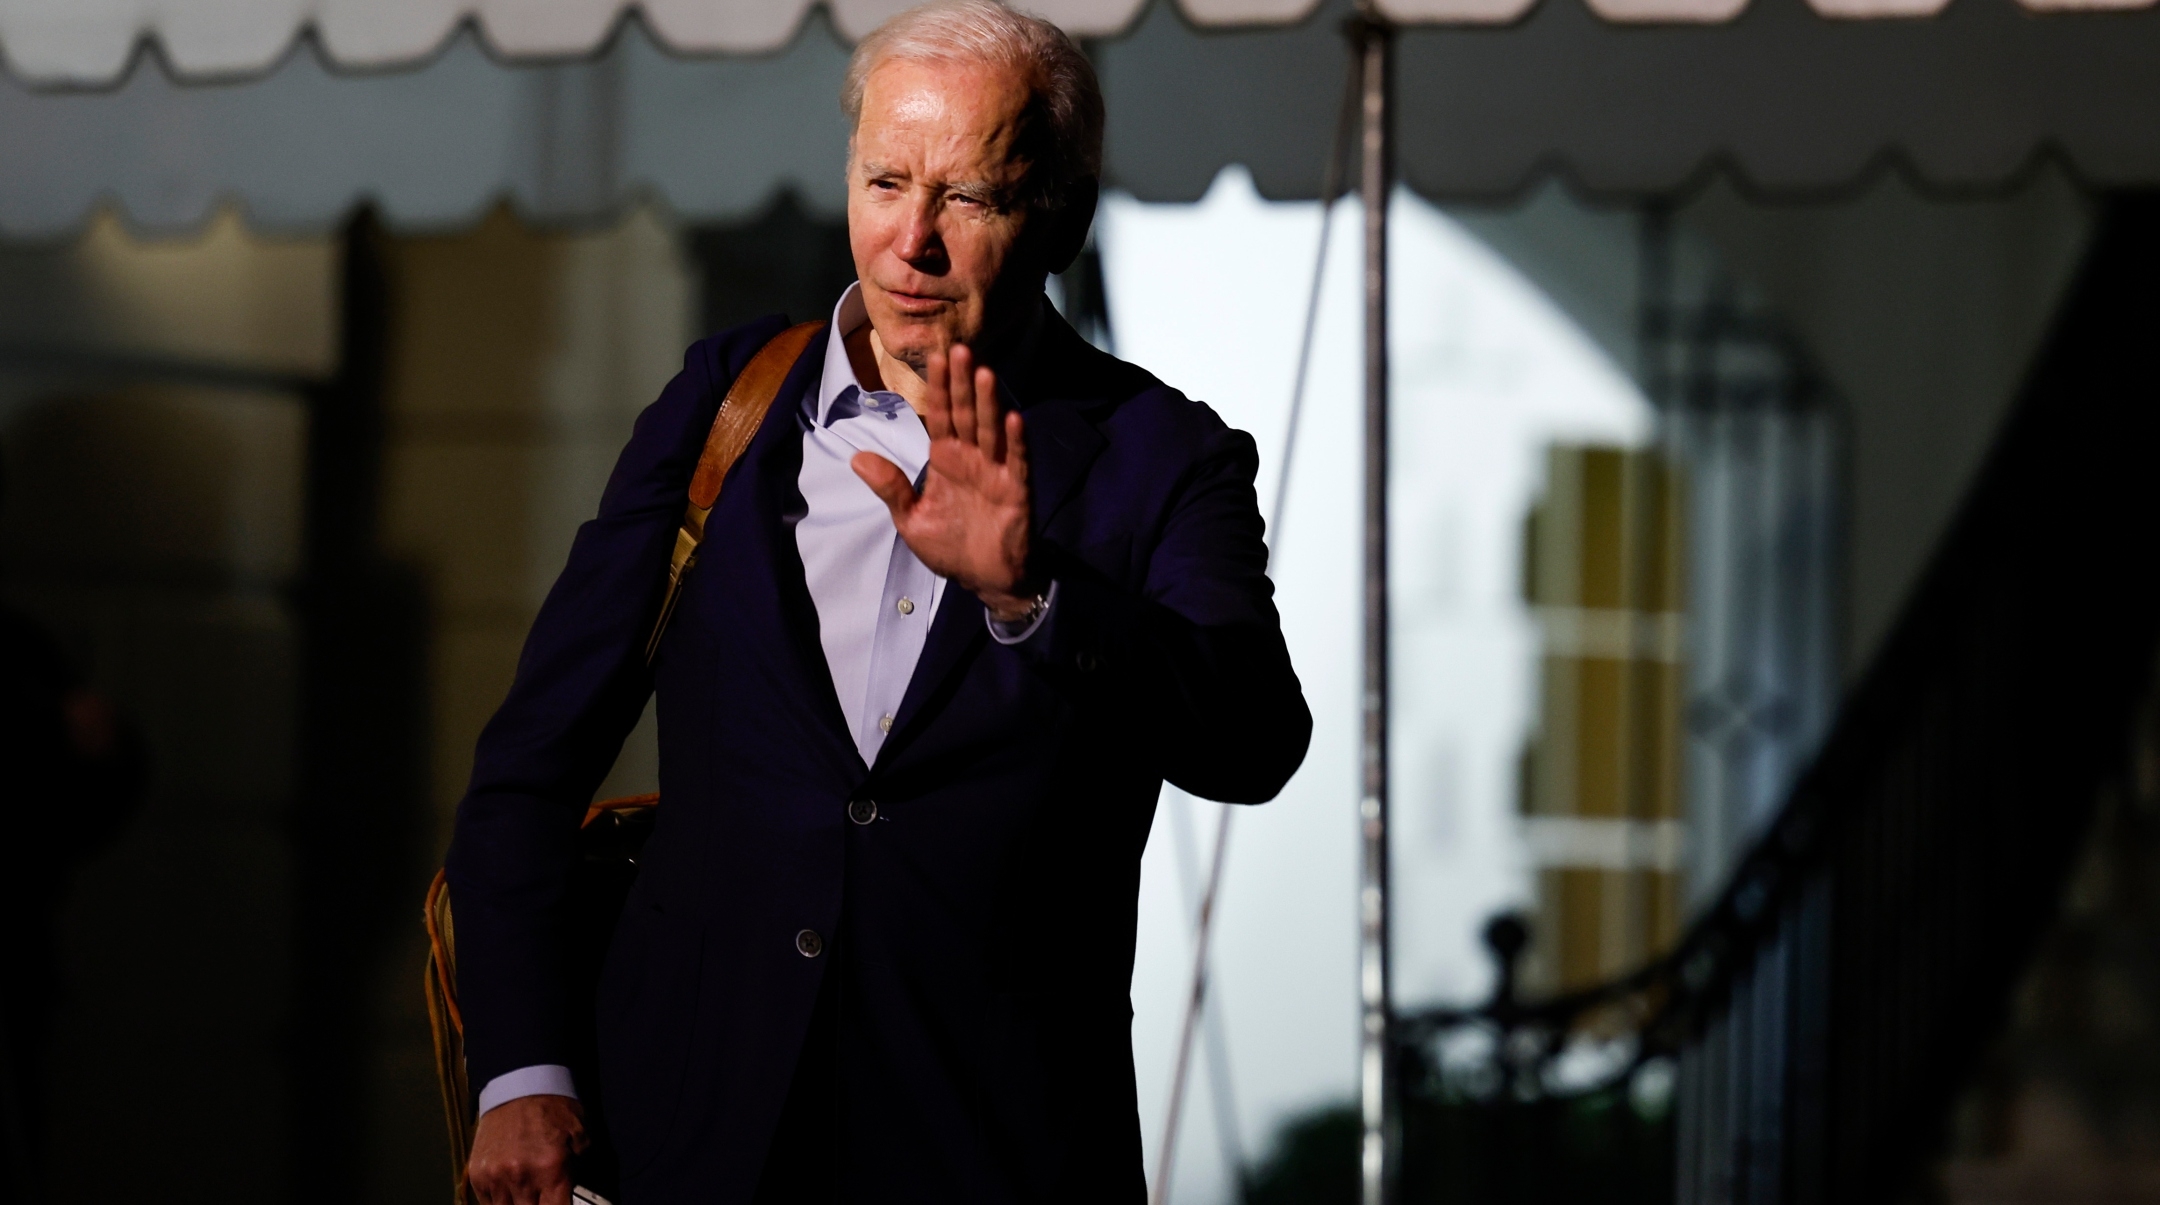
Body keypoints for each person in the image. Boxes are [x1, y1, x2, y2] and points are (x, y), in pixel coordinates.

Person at [447, 2, 1312, 1201]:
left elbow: (1257, 738)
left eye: (969, 197)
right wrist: (523, 1071)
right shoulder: (725, 406)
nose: (912, 239)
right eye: (886, 180)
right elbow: (527, 773)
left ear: (1056, 213)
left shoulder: (1163, 457)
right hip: (682, 1142)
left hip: (993, 1152)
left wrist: (1033, 594)